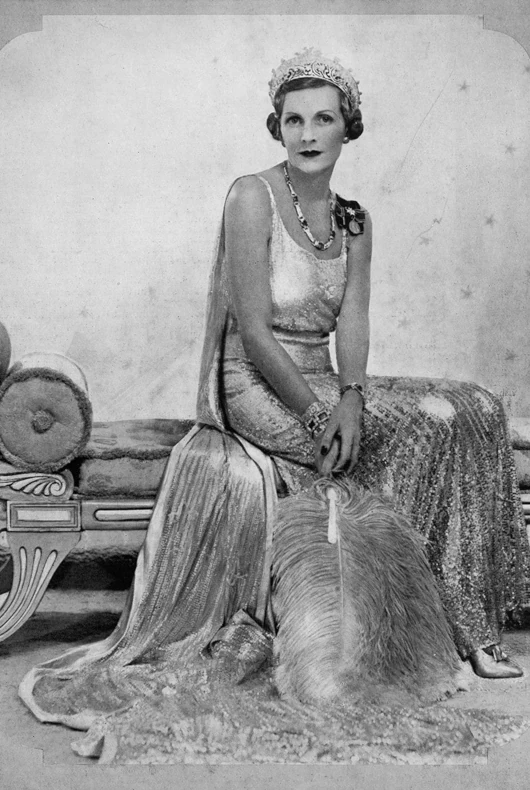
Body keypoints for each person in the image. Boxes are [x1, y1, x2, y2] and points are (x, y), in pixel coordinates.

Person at [17, 49, 530, 760]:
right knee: (394, 438)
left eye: (323, 118)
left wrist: (352, 396)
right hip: (254, 383)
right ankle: (398, 633)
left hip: (322, 377)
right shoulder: (251, 196)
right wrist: (320, 416)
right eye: (294, 120)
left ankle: (462, 624)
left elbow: (353, 322)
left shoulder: (355, 220)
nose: (308, 133)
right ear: (277, 128)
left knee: (466, 408)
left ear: (348, 127)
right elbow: (255, 333)